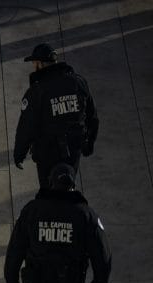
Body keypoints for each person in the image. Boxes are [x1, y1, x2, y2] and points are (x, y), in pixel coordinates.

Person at [13, 43, 99, 189]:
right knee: (68, 186)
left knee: (48, 193)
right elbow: (92, 116)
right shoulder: (78, 82)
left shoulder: (36, 91)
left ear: (39, 64)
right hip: (74, 149)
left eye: (34, 63)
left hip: (47, 151)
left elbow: (26, 127)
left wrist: (19, 154)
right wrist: (89, 142)